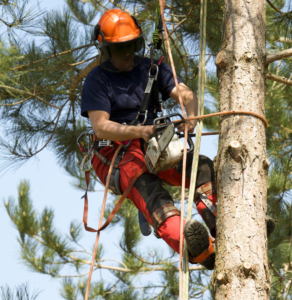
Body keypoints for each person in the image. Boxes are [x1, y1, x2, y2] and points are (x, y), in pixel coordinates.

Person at [81, 8, 217, 270]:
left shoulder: (150, 68)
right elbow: (101, 127)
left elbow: (186, 95)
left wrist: (191, 117)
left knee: (201, 168)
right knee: (147, 187)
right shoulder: (97, 80)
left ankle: (221, 222)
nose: (129, 54)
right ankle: (199, 249)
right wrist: (139, 132)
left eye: (133, 46)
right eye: (121, 49)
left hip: (153, 142)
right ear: (106, 49)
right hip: (116, 153)